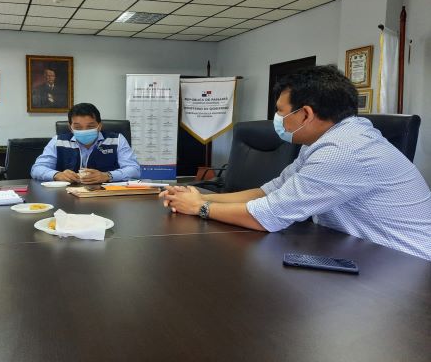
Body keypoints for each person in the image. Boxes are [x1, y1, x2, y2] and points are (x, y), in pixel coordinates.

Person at [160, 65, 431, 261]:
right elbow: (271, 191)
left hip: (406, 266)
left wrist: (201, 208)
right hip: (359, 252)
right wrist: (203, 197)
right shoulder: (323, 141)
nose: (276, 119)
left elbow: (267, 216)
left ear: (306, 114)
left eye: (280, 111)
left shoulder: (343, 149)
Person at [31, 103, 140, 184]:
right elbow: (37, 169)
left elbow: (134, 170)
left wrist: (107, 176)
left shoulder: (117, 140)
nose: (84, 130)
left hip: (106, 197)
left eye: (90, 126)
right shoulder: (58, 141)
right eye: (78, 127)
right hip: (66, 197)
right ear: (71, 127)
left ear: (99, 126)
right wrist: (57, 175)